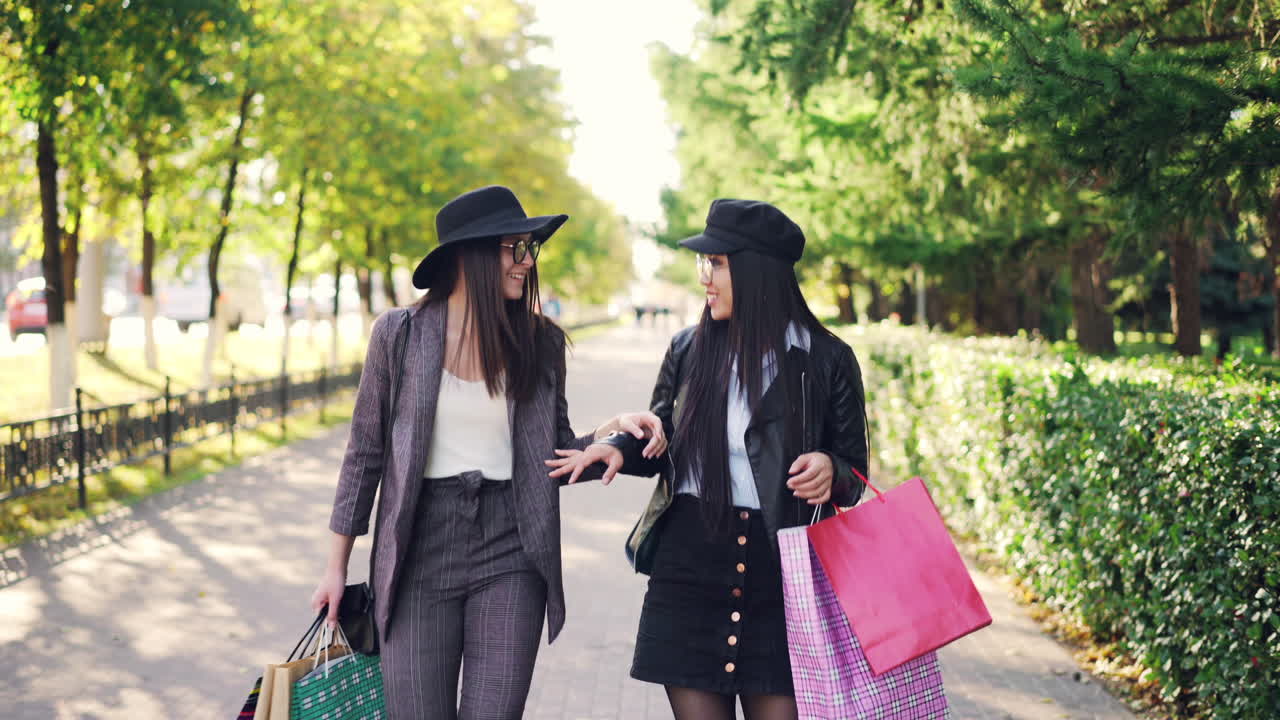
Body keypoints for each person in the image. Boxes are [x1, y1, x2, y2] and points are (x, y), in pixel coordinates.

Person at [311, 185, 664, 720]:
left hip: (511, 546)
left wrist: (611, 435)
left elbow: (554, 449)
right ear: (469, 255)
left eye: (530, 248)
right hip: (418, 551)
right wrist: (335, 567)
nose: (527, 262)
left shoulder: (539, 342)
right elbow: (364, 455)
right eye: (514, 248)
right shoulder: (399, 336)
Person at [548, 199, 869, 720]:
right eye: (704, 263)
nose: (704, 278)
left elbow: (856, 472)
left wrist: (833, 470)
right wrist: (617, 448)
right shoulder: (688, 348)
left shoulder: (826, 359)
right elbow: (661, 436)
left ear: (756, 270)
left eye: (716, 264)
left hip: (781, 575)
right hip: (689, 566)